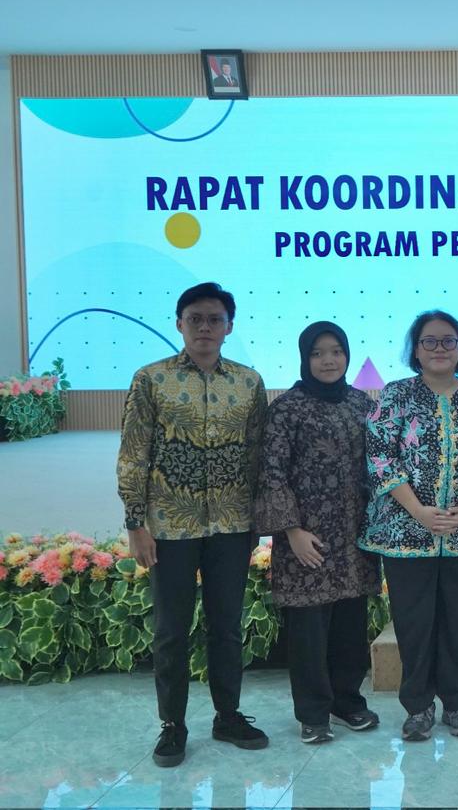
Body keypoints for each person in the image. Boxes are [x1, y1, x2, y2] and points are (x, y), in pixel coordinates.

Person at [117, 281, 269, 767]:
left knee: (226, 627)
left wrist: (258, 520)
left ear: (229, 326)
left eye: (214, 319)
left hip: (231, 523)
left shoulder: (248, 383)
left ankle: (228, 716)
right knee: (171, 630)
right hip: (169, 525)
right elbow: (134, 453)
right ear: (180, 323)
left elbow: (257, 455)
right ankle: (173, 726)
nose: (205, 327)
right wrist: (136, 523)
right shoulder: (151, 379)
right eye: (196, 318)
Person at [360, 311, 458, 742]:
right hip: (404, 533)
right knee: (413, 623)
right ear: (415, 349)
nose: (439, 349)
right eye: (430, 341)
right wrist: (419, 511)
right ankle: (418, 707)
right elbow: (381, 458)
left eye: (448, 341)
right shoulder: (395, 395)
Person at [255, 321, 382, 744]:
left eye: (336, 351)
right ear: (304, 358)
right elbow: (271, 473)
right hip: (306, 539)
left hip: (353, 537)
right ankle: (313, 713)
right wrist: (291, 531)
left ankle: (347, 702)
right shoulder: (287, 409)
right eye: (317, 353)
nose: (328, 360)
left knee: (350, 626)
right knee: (309, 632)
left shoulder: (361, 404)